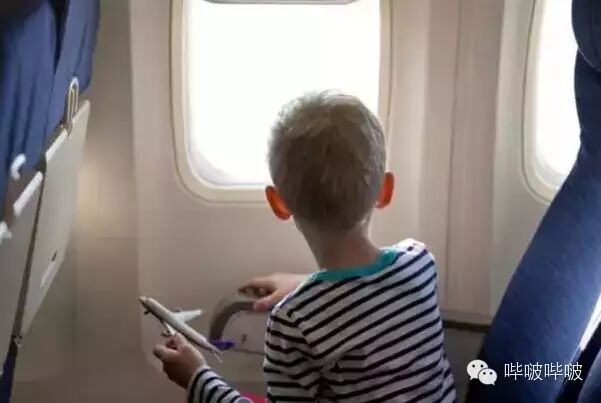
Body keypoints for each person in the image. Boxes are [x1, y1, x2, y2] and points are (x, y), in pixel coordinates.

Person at [153, 90, 456, 402]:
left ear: (278, 203)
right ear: (385, 190)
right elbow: (368, 296)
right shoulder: (420, 264)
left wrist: (197, 378)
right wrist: (308, 285)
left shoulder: (295, 321)